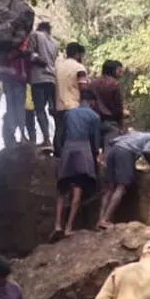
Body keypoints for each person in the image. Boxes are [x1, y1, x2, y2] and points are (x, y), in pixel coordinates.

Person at [96, 128, 150, 229]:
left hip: (114, 150)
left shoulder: (140, 134)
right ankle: (105, 220)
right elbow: (147, 151)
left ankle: (100, 219)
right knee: (121, 187)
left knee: (109, 189)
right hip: (124, 152)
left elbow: (114, 141)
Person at [52, 90, 101, 241]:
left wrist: (60, 150)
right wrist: (96, 157)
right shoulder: (94, 116)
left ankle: (57, 225)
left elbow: (61, 135)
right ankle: (68, 228)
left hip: (68, 149)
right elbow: (95, 141)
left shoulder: (69, 114)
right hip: (83, 151)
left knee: (62, 190)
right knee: (77, 190)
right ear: (92, 102)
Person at [28, 21, 59, 147]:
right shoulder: (56, 43)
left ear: (39, 28)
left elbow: (29, 54)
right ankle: (52, 138)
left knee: (40, 109)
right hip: (51, 78)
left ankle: (46, 139)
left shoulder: (36, 35)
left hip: (38, 78)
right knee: (49, 109)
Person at [54, 42, 88, 156]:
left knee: (59, 131)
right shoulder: (79, 68)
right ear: (78, 54)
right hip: (74, 106)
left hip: (59, 105)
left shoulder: (57, 67)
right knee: (72, 134)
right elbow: (83, 87)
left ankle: (58, 156)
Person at [0, 40, 30, 148]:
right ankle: (21, 135)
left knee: (11, 108)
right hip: (17, 83)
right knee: (18, 108)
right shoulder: (21, 52)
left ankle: (14, 135)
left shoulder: (3, 51)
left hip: (10, 83)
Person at [90, 60, 127, 151]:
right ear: (112, 70)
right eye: (119, 71)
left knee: (93, 150)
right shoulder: (114, 84)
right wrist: (121, 125)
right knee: (110, 151)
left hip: (94, 120)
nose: (121, 75)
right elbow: (118, 107)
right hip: (110, 122)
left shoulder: (93, 83)